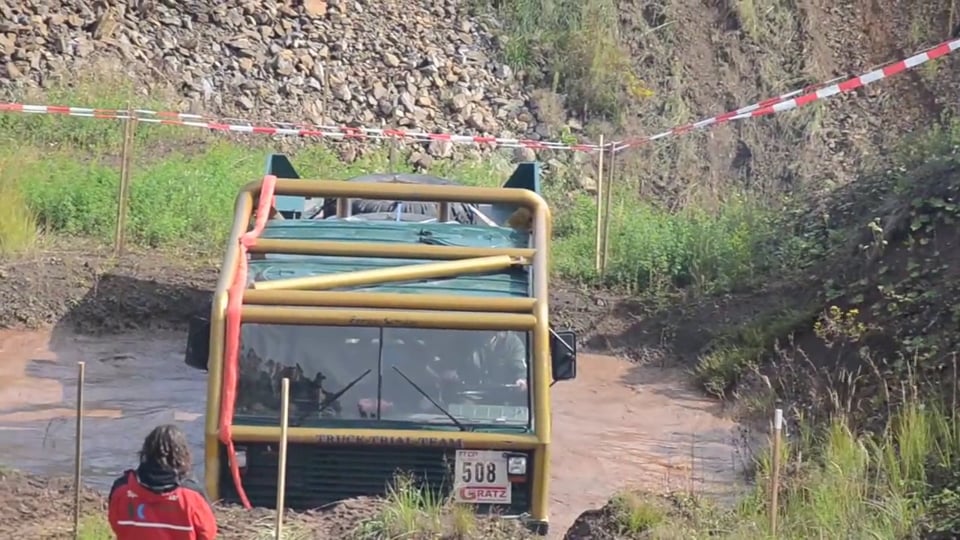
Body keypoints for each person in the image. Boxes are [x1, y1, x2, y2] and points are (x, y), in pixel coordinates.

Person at [107, 424, 217, 540]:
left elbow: (115, 523)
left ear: (145, 452)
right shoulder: (191, 494)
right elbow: (207, 533)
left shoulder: (122, 488)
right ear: (182, 454)